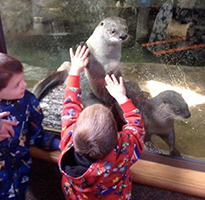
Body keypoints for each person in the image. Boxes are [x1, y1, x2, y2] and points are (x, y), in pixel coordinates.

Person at [58, 44, 145, 200]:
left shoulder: (68, 140)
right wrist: (122, 98)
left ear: (75, 127)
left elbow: (69, 106)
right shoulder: (123, 151)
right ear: (117, 134)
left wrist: (75, 70)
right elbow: (137, 128)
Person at [0, 52, 60, 200]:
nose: (25, 85)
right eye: (16, 85)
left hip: (21, 172)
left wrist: (57, 143)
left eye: (22, 79)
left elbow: (35, 133)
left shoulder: (27, 101)